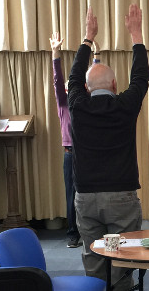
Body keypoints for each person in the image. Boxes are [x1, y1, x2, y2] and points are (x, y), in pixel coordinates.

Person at [68, 5, 147, 290]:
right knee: (121, 256)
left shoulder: (77, 104)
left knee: (94, 256)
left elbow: (74, 77)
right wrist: (136, 35)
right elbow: (141, 78)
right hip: (121, 200)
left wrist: (88, 39)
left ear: (87, 88)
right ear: (115, 84)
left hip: (86, 197)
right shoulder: (125, 106)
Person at [49, 32, 82, 248]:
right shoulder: (63, 103)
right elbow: (57, 80)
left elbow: (93, 79)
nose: (69, 89)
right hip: (70, 154)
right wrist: (55, 52)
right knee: (71, 195)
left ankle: (91, 231)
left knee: (88, 195)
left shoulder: (85, 103)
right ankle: (72, 234)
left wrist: (96, 55)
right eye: (68, 87)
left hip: (88, 154)